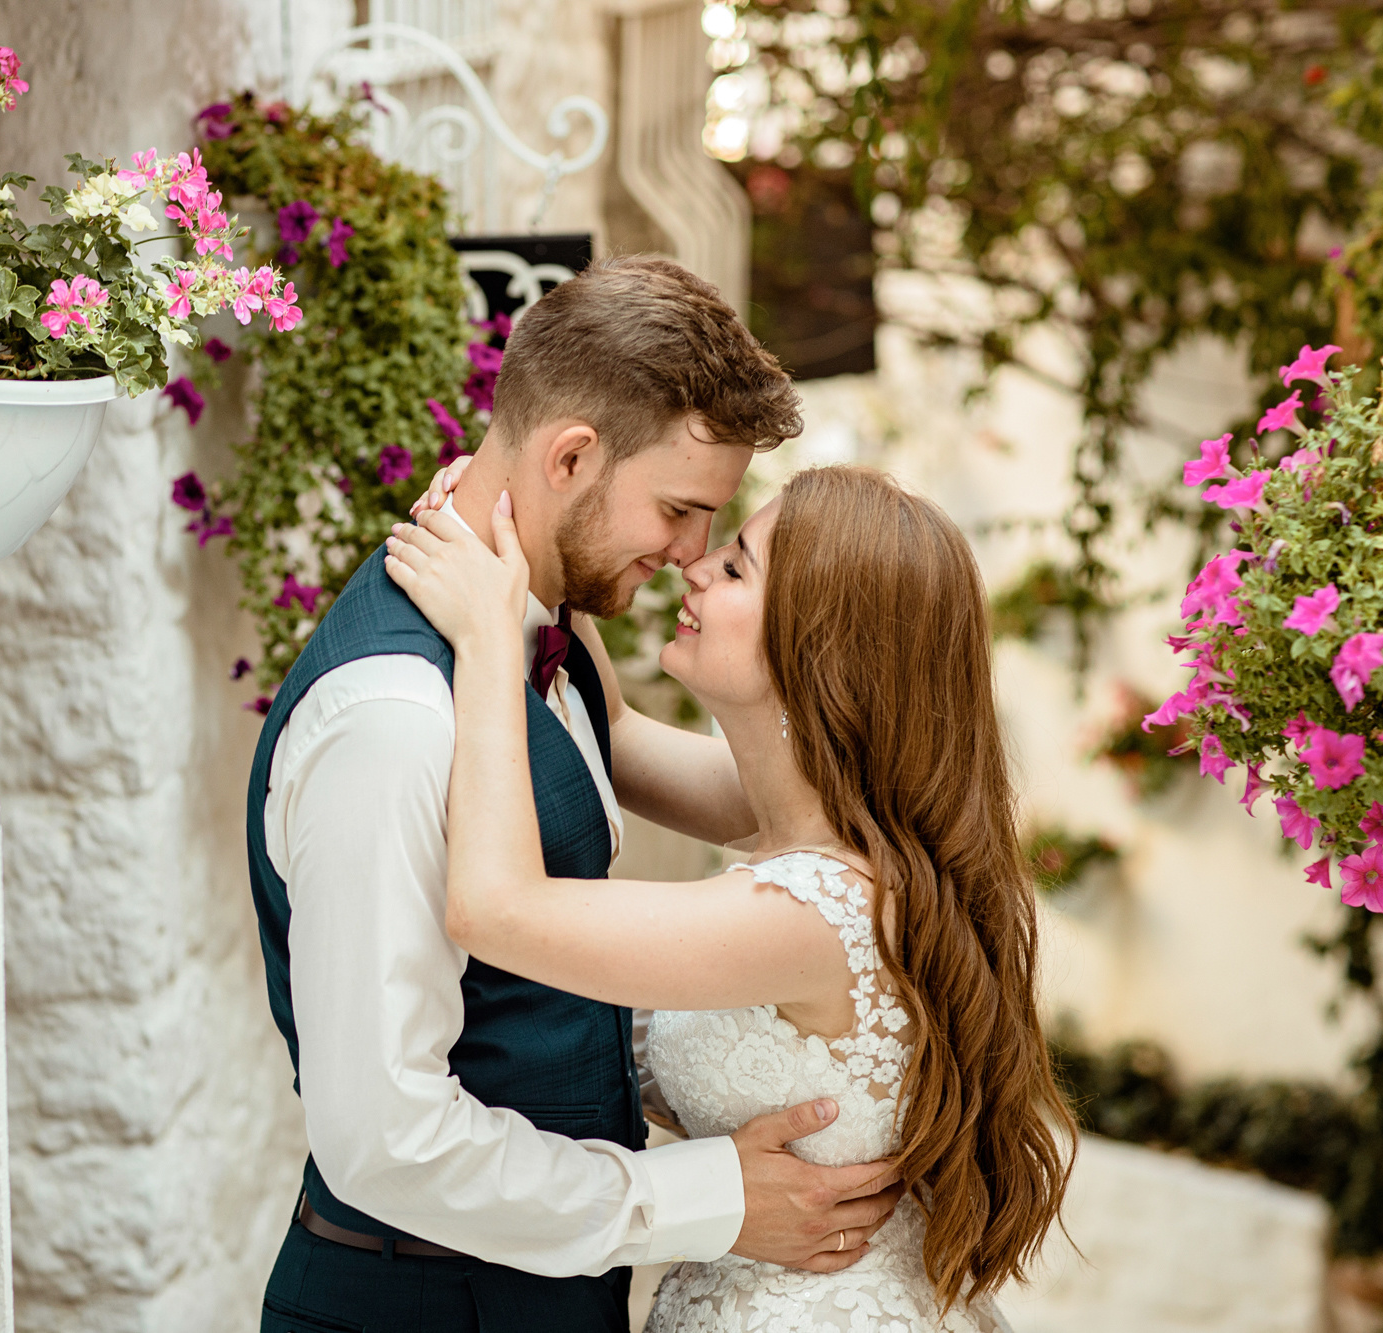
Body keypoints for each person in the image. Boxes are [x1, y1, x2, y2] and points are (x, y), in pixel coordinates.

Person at [246, 257, 904, 1333]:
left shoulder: (539, 645)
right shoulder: (394, 720)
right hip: (416, 1303)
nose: (691, 554)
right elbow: (382, 1139)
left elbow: (762, 802)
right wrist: (701, 1199)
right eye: (682, 510)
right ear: (569, 457)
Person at [381, 461, 1075, 1331]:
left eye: (739, 565)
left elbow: (496, 909)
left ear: (816, 649)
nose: (695, 565)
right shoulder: (802, 815)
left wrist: (486, 643)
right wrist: (538, 541)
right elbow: (619, 732)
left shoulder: (816, 910)